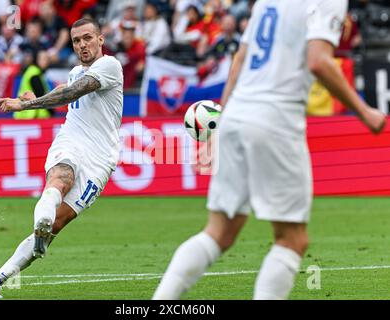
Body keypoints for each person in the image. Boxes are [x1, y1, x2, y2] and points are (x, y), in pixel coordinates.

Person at [153, 0, 386, 300]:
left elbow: (239, 59)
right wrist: (364, 111)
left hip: (238, 114)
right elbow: (319, 61)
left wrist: (219, 121)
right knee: (292, 239)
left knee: (219, 232)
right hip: (275, 118)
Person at [0, 18, 123, 299]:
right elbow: (63, 93)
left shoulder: (110, 66)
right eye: (76, 41)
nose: (82, 45)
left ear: (100, 39)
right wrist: (35, 99)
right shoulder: (74, 72)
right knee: (60, 178)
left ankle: (7, 267)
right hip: (70, 141)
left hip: (101, 159)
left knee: (56, 224)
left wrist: (27, 103)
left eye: (87, 38)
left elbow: (73, 91)